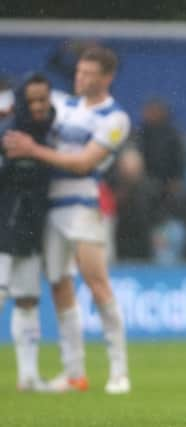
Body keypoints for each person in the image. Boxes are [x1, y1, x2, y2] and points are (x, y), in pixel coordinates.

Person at [3, 46, 131, 394]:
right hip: (49, 206)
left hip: (82, 203)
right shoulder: (61, 104)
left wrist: (32, 150)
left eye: (90, 73)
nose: (81, 77)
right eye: (79, 71)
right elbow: (18, 104)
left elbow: (84, 164)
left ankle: (119, 371)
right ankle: (75, 373)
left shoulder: (115, 118)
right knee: (59, 284)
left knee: (96, 281)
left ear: (107, 78)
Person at [0, 73, 55, 392]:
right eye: (31, 100)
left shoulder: (49, 134)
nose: (38, 105)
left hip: (31, 229)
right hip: (5, 226)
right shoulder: (10, 136)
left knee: (28, 300)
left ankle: (29, 376)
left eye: (42, 99)